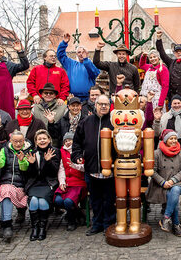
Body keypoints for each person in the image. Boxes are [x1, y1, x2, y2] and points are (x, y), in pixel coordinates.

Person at [71, 95, 116, 236]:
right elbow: (77, 142)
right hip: (91, 169)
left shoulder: (114, 122)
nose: (103, 106)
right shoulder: (86, 121)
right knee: (95, 200)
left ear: (110, 106)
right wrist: (77, 155)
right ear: (95, 105)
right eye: (101, 104)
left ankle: (108, 224)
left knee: (109, 200)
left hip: (110, 170)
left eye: (106, 104)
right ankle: (97, 224)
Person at [0, 130, 31, 243]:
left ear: (24, 141)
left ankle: (6, 222)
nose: (18, 144)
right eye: (15, 141)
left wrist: (22, 161)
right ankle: (7, 224)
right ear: (11, 141)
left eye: (20, 141)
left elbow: (25, 169)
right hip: (6, 181)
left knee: (8, 192)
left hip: (22, 184)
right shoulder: (4, 150)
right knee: (6, 191)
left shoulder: (29, 151)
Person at [147, 129, 181, 237]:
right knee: (171, 194)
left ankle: (166, 217)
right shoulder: (157, 153)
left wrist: (173, 180)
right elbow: (152, 170)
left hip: (177, 182)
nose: (174, 141)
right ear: (165, 140)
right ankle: (176, 225)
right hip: (161, 182)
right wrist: (162, 182)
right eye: (171, 138)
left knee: (174, 190)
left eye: (175, 138)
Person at [25, 129, 59, 241]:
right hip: (35, 183)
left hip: (48, 183)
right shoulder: (32, 152)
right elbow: (30, 175)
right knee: (34, 200)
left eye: (44, 138)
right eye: (39, 139)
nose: (42, 141)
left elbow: (54, 173)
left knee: (42, 201)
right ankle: (35, 227)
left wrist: (48, 161)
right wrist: (32, 164)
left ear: (49, 139)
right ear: (35, 141)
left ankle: (43, 228)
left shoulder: (54, 151)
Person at [54, 132, 87, 231]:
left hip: (79, 182)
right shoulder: (62, 151)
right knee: (58, 200)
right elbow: (61, 169)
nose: (68, 142)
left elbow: (85, 168)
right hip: (67, 182)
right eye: (66, 141)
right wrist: (62, 182)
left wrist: (74, 166)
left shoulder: (81, 151)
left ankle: (71, 220)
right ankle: (79, 213)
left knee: (68, 201)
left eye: (70, 140)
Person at [57, 32, 100, 102]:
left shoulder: (90, 64)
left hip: (88, 98)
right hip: (73, 97)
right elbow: (60, 56)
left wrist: (86, 59)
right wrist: (64, 43)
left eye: (83, 52)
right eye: (79, 52)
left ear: (87, 53)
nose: (81, 54)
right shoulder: (71, 64)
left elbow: (94, 73)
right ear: (76, 54)